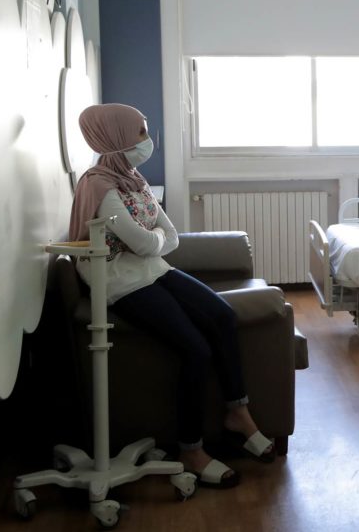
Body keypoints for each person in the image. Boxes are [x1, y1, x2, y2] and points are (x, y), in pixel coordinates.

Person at [68, 103, 273, 489]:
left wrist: (153, 243)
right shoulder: (100, 186)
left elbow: (168, 238)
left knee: (223, 316)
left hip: (155, 271)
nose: (148, 142)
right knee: (195, 349)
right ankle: (191, 449)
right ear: (115, 136)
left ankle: (238, 413)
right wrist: (153, 242)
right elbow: (147, 242)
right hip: (121, 282)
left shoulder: (132, 178)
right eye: (140, 132)